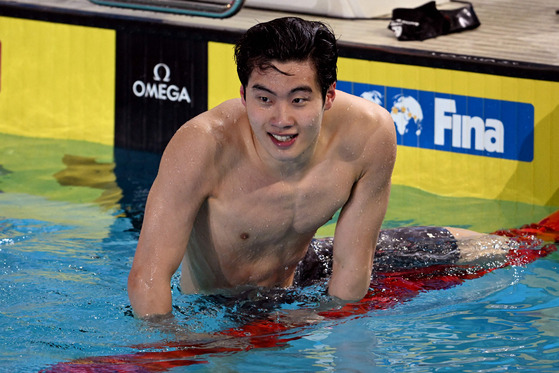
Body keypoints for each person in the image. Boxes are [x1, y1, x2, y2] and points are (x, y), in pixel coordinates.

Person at [127, 17, 505, 319]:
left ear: (329, 96)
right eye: (264, 98)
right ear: (243, 95)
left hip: (305, 272)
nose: (281, 118)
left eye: (299, 99)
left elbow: (353, 267)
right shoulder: (202, 146)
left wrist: (328, 318)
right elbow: (148, 277)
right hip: (222, 309)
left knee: (495, 250)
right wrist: (176, 353)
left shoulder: (369, 133)